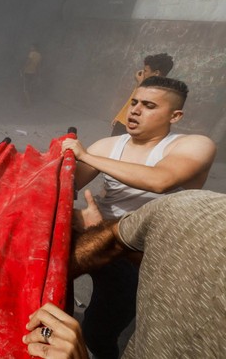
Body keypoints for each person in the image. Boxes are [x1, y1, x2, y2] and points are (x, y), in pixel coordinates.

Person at [61, 76, 216, 358]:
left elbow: (161, 180)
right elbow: (64, 189)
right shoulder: (108, 146)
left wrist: (84, 155)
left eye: (148, 105)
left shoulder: (194, 145)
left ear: (175, 115)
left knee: (98, 332)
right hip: (95, 237)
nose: (134, 110)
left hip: (140, 255)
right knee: (48, 293)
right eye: (133, 102)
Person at [23, 189, 226, 359]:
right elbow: (114, 238)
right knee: (95, 332)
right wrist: (48, 279)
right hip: (127, 254)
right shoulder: (194, 210)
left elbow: (163, 178)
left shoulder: (195, 153)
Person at [111, 53, 173, 136]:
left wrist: (140, 84)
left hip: (133, 125)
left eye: (145, 71)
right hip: (123, 122)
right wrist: (119, 117)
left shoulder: (159, 90)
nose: (143, 73)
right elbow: (130, 102)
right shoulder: (144, 83)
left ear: (156, 73)